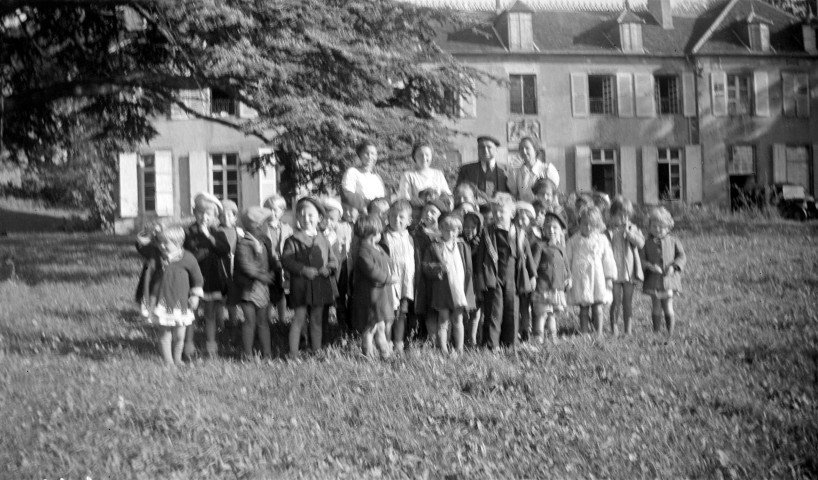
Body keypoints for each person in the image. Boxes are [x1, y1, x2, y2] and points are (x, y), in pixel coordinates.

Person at [474, 192, 536, 350]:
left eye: (502, 211)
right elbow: (481, 256)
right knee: (494, 310)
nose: (498, 215)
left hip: (513, 275)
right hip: (493, 276)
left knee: (512, 310)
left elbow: (527, 255)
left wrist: (532, 275)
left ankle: (510, 343)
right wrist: (480, 278)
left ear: (512, 213)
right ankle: (491, 345)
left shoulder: (519, 233)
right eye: (495, 212)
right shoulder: (487, 233)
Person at [281, 197, 338, 360]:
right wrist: (303, 269)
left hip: (320, 286)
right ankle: (293, 353)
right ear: (297, 218)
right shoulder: (292, 240)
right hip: (301, 286)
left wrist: (328, 269)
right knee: (299, 318)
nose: (307, 219)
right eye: (302, 215)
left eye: (311, 215)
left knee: (317, 319)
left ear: (319, 218)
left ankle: (316, 350)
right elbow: (286, 260)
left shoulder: (323, 239)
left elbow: (333, 260)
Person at [139, 225, 204, 365]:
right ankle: (169, 362)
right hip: (163, 303)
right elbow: (141, 246)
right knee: (165, 334)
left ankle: (178, 359)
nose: (161, 246)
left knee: (180, 336)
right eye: (159, 242)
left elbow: (198, 279)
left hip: (181, 303)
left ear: (178, 243)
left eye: (165, 242)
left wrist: (195, 296)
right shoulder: (156, 256)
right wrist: (149, 234)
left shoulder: (188, 258)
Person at [183, 192, 230, 359]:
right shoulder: (188, 233)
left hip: (211, 278)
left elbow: (224, 250)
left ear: (215, 216)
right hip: (193, 278)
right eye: (200, 213)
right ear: (194, 213)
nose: (204, 217)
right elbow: (186, 252)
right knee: (191, 312)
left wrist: (208, 236)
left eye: (208, 214)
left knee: (210, 312)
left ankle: (211, 344)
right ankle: (189, 344)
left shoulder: (217, 233)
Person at [422, 213, 475, 354]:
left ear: (459, 230)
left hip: (458, 288)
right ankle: (444, 349)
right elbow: (426, 266)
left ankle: (459, 349)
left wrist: (468, 288)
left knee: (458, 319)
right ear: (440, 229)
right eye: (446, 229)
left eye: (454, 230)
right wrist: (438, 268)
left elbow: (468, 268)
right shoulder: (435, 246)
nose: (450, 233)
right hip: (443, 288)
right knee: (443, 320)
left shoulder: (462, 246)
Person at [566, 205, 617, 336]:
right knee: (583, 308)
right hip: (581, 277)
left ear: (597, 225)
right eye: (584, 224)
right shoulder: (573, 241)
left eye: (591, 225)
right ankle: (584, 332)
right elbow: (567, 259)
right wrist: (568, 276)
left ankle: (598, 333)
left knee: (598, 307)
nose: (587, 228)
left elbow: (608, 259)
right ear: (579, 223)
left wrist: (609, 278)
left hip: (597, 277)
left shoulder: (602, 240)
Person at [234, 206, 277, 360]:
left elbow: (271, 260)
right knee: (250, 321)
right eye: (266, 223)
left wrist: (275, 269)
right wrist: (260, 273)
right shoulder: (244, 244)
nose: (268, 226)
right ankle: (248, 354)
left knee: (263, 321)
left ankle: (267, 353)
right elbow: (246, 266)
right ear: (257, 225)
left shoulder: (265, 241)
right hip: (248, 289)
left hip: (262, 287)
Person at [350, 214, 393, 358]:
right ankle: (368, 354)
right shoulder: (363, 251)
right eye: (379, 232)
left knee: (380, 326)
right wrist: (388, 279)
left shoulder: (376, 248)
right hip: (369, 296)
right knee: (370, 328)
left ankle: (385, 353)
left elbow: (387, 261)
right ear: (373, 234)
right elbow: (371, 271)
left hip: (379, 294)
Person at [641, 206, 686, 336]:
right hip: (653, 280)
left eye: (661, 226)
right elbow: (641, 258)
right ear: (649, 226)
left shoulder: (673, 241)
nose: (658, 229)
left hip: (668, 280)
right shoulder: (646, 242)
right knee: (656, 305)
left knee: (668, 305)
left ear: (668, 227)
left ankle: (670, 332)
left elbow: (681, 256)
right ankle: (656, 331)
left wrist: (674, 266)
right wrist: (649, 266)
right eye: (654, 226)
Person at [606, 196, 645, 336]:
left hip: (629, 272)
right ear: (612, 216)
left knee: (627, 301)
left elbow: (641, 243)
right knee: (615, 301)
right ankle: (614, 329)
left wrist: (630, 235)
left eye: (626, 215)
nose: (623, 218)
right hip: (615, 272)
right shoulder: (609, 231)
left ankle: (628, 330)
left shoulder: (632, 229)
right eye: (619, 215)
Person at [411, 198, 447, 341]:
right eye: (426, 211)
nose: (428, 214)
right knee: (428, 310)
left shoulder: (445, 234)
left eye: (433, 212)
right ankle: (431, 339)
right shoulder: (417, 234)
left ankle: (443, 339)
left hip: (441, 279)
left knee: (442, 310)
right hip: (423, 278)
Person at [531, 211, 570, 343]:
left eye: (555, 227)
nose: (551, 230)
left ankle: (553, 336)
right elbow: (534, 264)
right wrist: (532, 277)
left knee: (552, 313)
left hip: (556, 286)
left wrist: (568, 277)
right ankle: (538, 336)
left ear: (561, 231)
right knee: (542, 313)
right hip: (543, 286)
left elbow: (565, 265)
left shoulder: (561, 248)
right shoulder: (540, 246)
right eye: (547, 227)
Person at [382, 199, 415, 353]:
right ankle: (387, 343)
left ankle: (399, 343)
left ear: (409, 220)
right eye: (393, 216)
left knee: (402, 313)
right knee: (389, 314)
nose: (397, 220)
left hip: (405, 282)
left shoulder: (410, 238)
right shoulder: (384, 237)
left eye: (401, 217)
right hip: (390, 281)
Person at [262, 195, 292, 326]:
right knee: (267, 292)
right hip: (267, 265)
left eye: (275, 210)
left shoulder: (286, 228)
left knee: (281, 293)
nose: (272, 213)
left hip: (282, 265)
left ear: (282, 211)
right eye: (269, 209)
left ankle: (282, 318)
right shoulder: (262, 228)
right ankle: (266, 319)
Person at [398, 143, 452, 208]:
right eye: (420, 155)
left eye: (427, 155)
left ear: (431, 156)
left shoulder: (438, 174)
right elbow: (405, 200)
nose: (424, 158)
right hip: (417, 212)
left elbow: (446, 195)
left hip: (437, 211)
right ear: (414, 157)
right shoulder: (408, 175)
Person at [456, 135, 509, 200]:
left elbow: (513, 192)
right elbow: (458, 191)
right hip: (474, 208)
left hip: (500, 207)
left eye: (489, 147)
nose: (485, 150)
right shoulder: (466, 169)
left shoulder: (507, 169)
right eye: (481, 147)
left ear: (496, 150)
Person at [508, 137, 560, 202]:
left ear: (535, 150)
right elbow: (514, 195)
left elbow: (553, 194)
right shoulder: (515, 173)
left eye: (527, 148)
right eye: (521, 149)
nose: (524, 151)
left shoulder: (547, 170)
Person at [461, 209, 484, 347]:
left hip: (476, 281)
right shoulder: (459, 240)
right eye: (466, 227)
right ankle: (462, 337)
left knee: (476, 311)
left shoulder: (481, 242)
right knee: (463, 311)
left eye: (472, 227)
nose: (469, 230)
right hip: (463, 280)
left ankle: (472, 338)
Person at [341, 141, 386, 212]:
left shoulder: (377, 177)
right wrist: (363, 208)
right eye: (366, 153)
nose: (370, 156)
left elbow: (384, 199)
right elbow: (347, 194)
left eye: (373, 154)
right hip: (361, 213)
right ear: (360, 155)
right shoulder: (352, 172)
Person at [514, 201, 537, 343]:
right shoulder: (513, 234)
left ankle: (527, 330)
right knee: (518, 305)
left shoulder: (533, 236)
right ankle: (518, 330)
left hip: (526, 276)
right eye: (518, 218)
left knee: (527, 306)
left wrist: (533, 275)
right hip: (516, 275)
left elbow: (531, 258)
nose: (521, 221)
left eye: (524, 219)